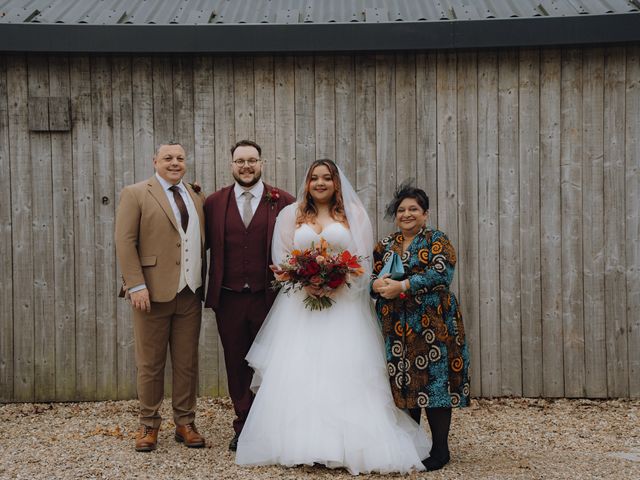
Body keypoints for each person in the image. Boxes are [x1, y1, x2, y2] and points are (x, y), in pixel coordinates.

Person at [235, 160, 429, 475]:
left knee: (344, 371)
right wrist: (306, 282)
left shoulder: (353, 214)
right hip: (301, 307)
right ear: (307, 182)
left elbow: (364, 262)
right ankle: (301, 444)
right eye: (315, 178)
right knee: (300, 372)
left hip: (343, 307)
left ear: (336, 183)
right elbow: (282, 258)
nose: (320, 183)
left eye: (327, 178)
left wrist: (338, 284)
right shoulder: (291, 214)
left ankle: (346, 446)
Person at [370, 183, 470, 471]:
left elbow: (442, 273)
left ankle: (440, 450)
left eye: (413, 209)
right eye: (401, 210)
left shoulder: (437, 240)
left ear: (425, 214)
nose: (407, 214)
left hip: (433, 322)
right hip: (396, 325)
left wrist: (404, 285)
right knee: (404, 384)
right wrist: (375, 285)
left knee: (435, 383)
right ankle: (412, 446)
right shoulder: (386, 244)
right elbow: (373, 277)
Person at [203, 140, 295, 451]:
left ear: (262, 163)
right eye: (240, 161)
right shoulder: (214, 203)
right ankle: (243, 426)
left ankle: (273, 426)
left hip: (269, 298)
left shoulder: (284, 201)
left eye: (252, 160)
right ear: (231, 165)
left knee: (272, 363)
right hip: (228, 299)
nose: (246, 166)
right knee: (237, 364)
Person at [115, 141, 206, 452]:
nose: (175, 162)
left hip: (190, 291)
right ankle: (149, 423)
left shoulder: (195, 195)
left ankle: (185, 422)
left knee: (186, 363)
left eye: (180, 158)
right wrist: (136, 285)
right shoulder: (136, 193)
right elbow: (125, 242)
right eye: (168, 157)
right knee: (150, 363)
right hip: (151, 293)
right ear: (155, 161)